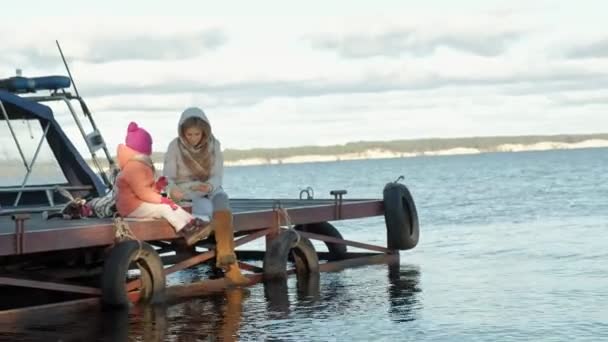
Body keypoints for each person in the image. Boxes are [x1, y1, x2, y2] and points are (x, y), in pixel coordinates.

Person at [163, 107, 248, 286]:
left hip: (210, 187)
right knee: (209, 211)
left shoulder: (214, 144)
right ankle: (231, 269)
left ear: (204, 131)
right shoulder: (174, 146)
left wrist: (209, 185)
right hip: (187, 191)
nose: (193, 138)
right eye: (189, 134)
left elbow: (218, 175)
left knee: (222, 202)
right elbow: (167, 178)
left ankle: (225, 253)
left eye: (197, 134)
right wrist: (172, 190)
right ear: (182, 132)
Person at [115, 121, 211, 245]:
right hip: (132, 208)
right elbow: (143, 193)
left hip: (139, 203)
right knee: (164, 208)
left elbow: (146, 190)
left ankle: (194, 223)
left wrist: (158, 186)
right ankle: (186, 230)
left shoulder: (140, 164)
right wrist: (161, 200)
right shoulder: (134, 167)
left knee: (173, 206)